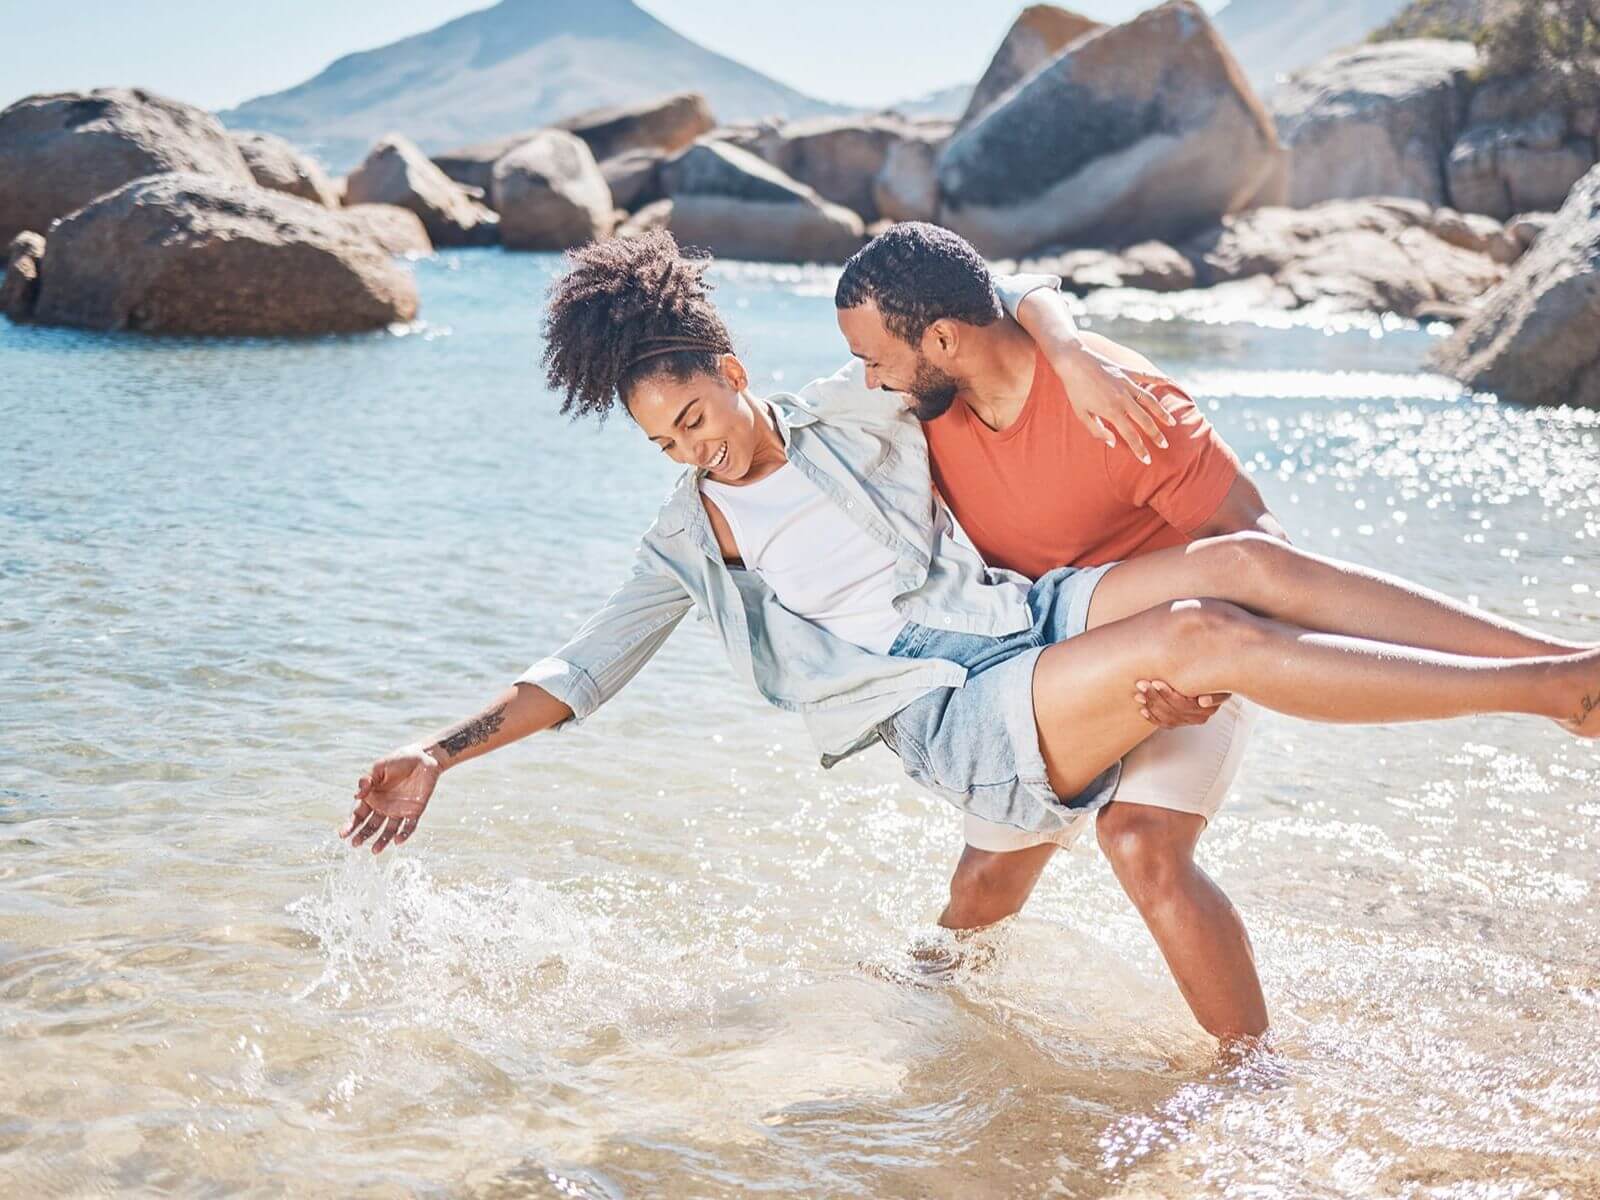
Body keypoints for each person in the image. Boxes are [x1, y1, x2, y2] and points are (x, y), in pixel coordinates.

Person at [342, 233, 1600, 1035]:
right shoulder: (690, 541)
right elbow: (579, 671)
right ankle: (1553, 696)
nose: (696, 451)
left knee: (1242, 562)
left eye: (695, 416)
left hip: (1028, 621)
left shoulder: (857, 407)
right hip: (952, 711)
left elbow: (987, 296)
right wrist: (439, 753)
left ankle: (1546, 656)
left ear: (726, 367)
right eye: (665, 443)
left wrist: (1069, 348)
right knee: (1207, 631)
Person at [828, 222, 1591, 1038]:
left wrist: (1206, 677)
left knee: (1142, 845)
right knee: (983, 884)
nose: (869, 380)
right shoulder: (921, 409)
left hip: (1192, 643)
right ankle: (923, 1013)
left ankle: (1248, 1074)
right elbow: (1005, 296)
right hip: (1049, 659)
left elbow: (1265, 562)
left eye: (876, 359)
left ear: (942, 337)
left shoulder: (1118, 403)